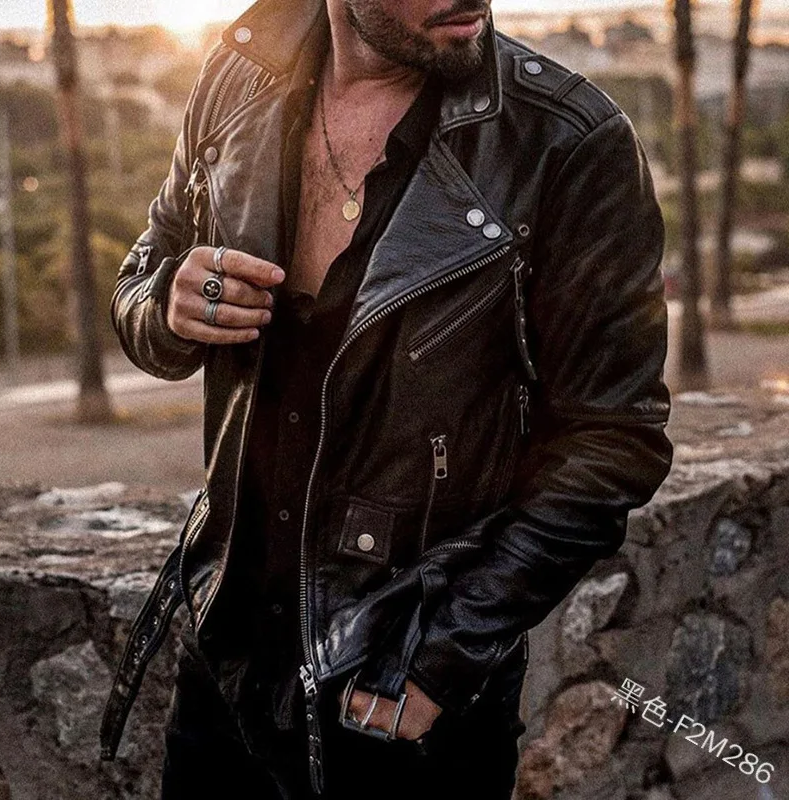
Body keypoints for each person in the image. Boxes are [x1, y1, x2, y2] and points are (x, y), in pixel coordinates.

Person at [101, 0, 673, 797]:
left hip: (401, 693)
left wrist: (442, 656)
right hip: (222, 672)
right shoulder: (237, 77)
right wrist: (166, 303)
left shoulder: (566, 139)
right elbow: (145, 271)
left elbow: (614, 438)